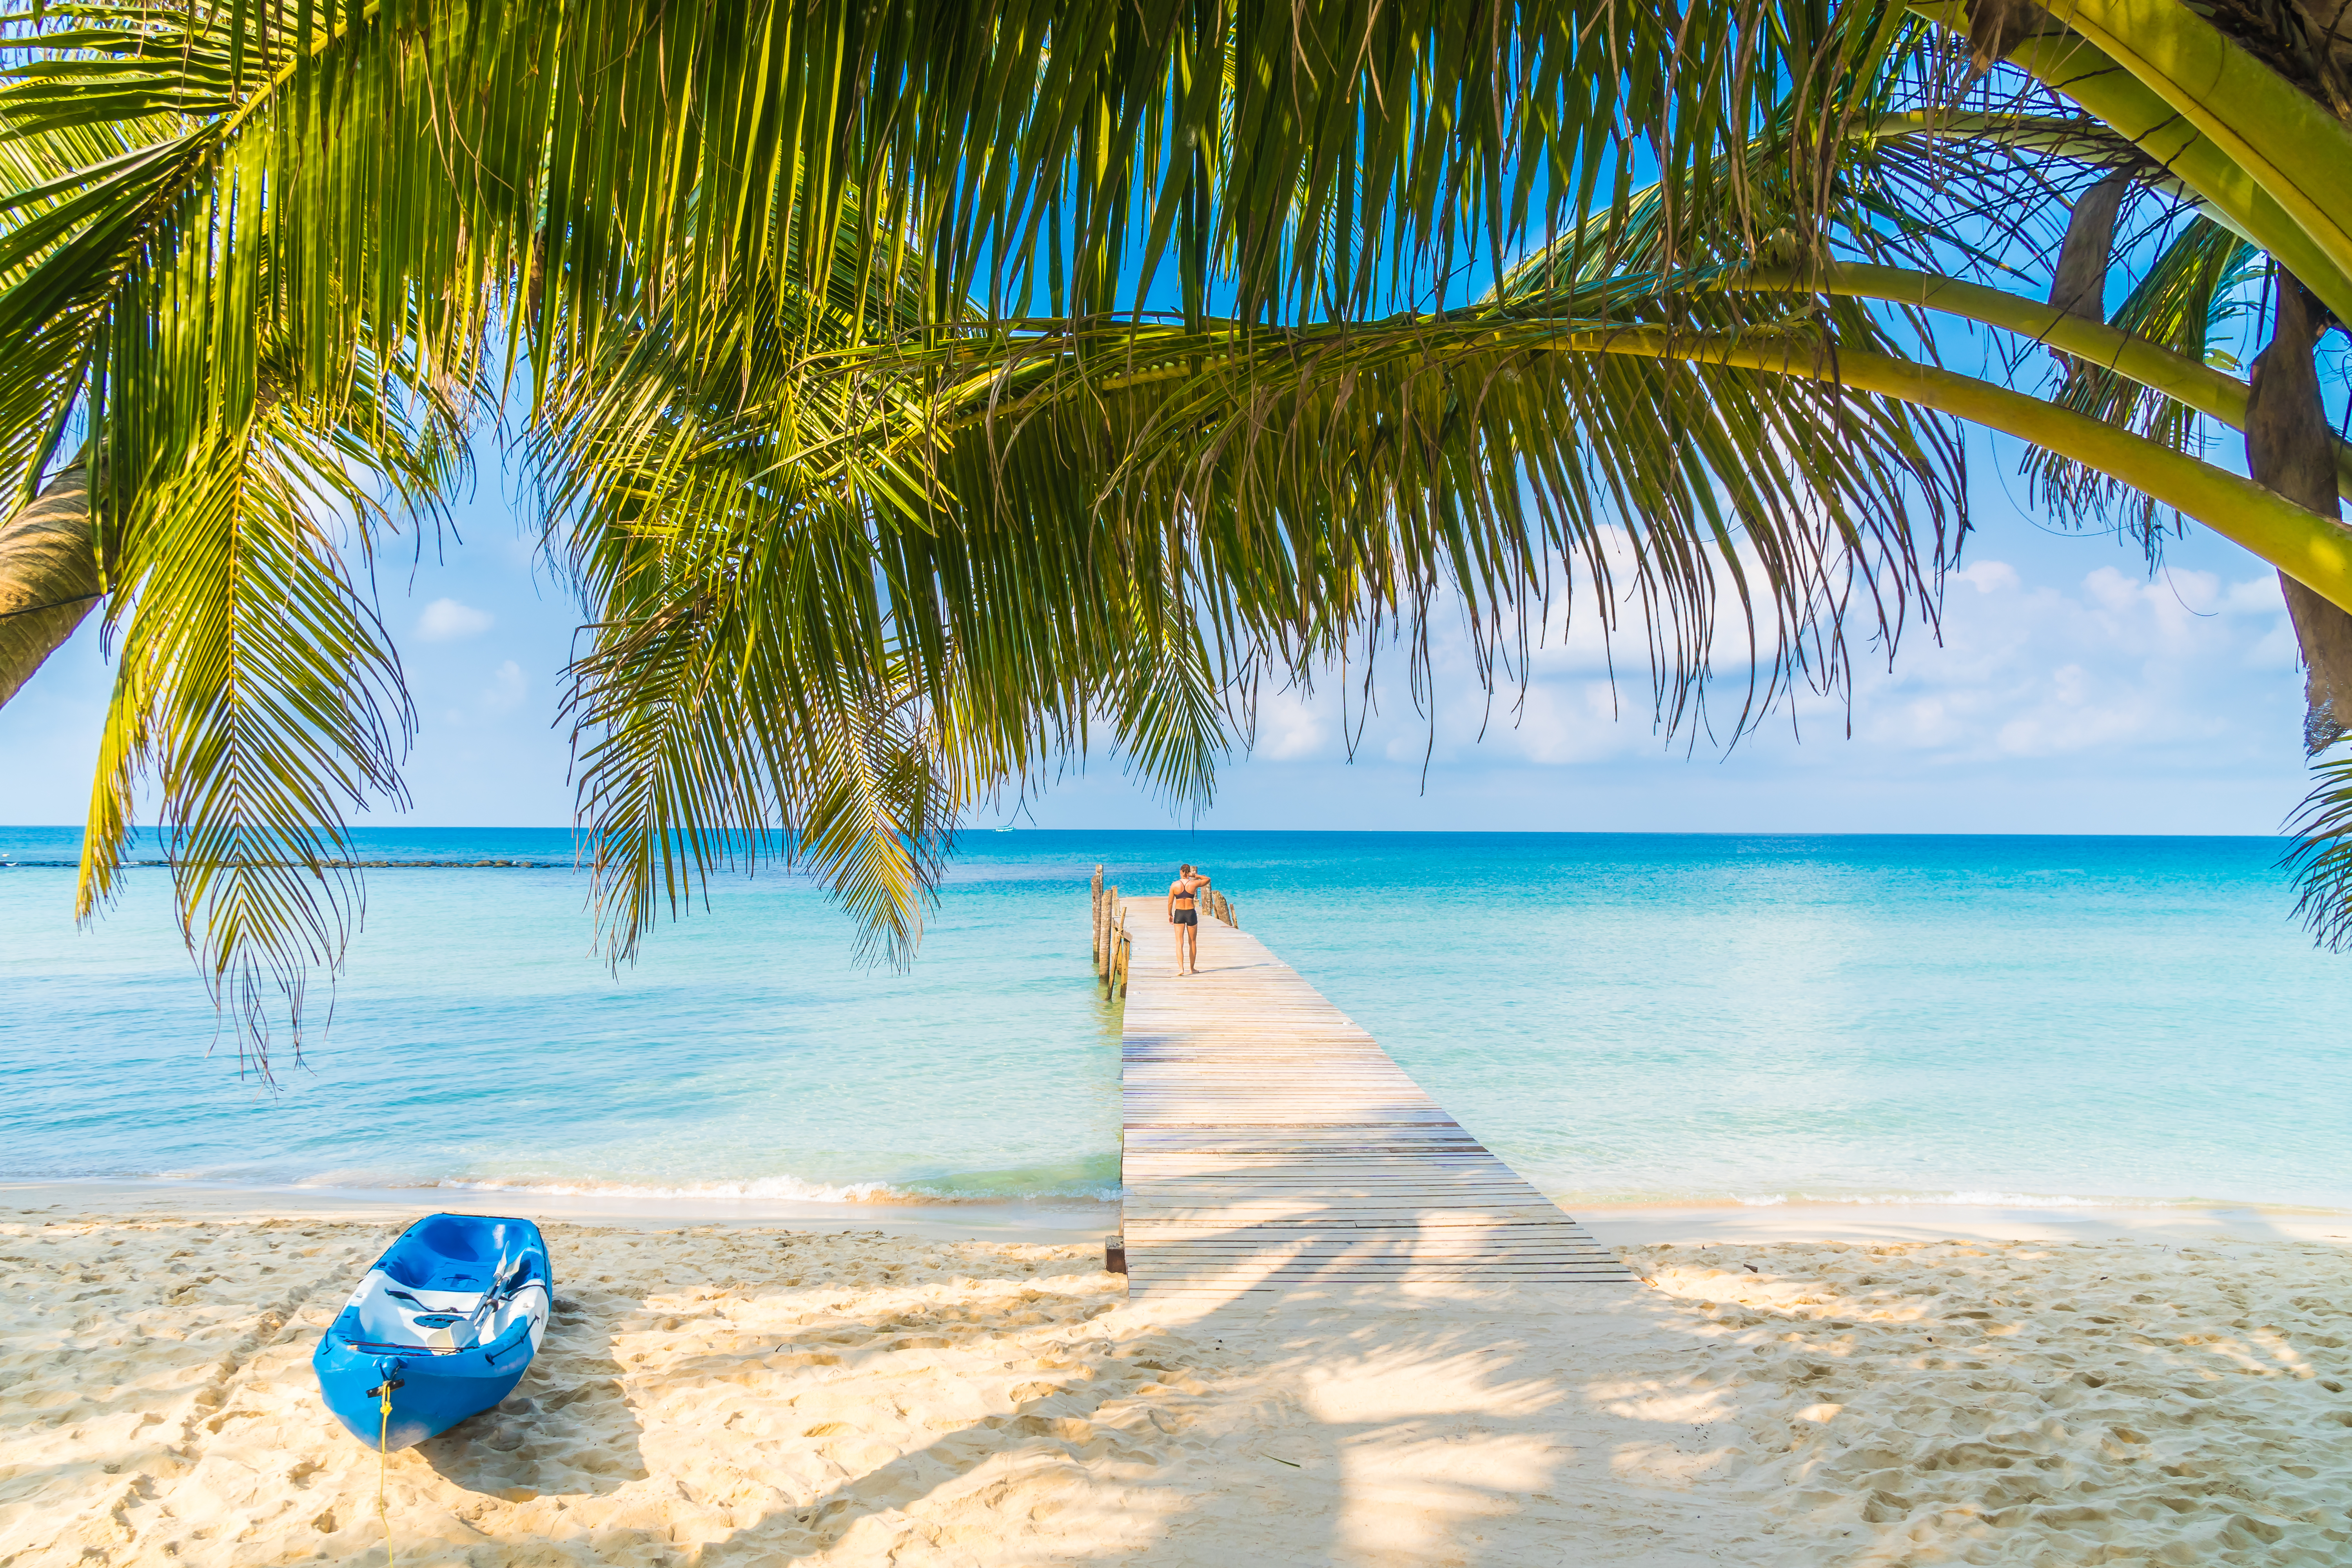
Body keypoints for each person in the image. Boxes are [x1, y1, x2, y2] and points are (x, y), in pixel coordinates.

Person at [1166, 863, 1210, 976]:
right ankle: (1192, 968)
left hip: (1179, 914)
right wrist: (1194, 875)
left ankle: (1181, 969)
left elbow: (1170, 902)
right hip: (1191, 913)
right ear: (1189, 872)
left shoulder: (1175, 885)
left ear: (1180, 872)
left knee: (1179, 942)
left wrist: (1170, 914)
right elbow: (1207, 879)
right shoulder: (1194, 884)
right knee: (1193, 942)